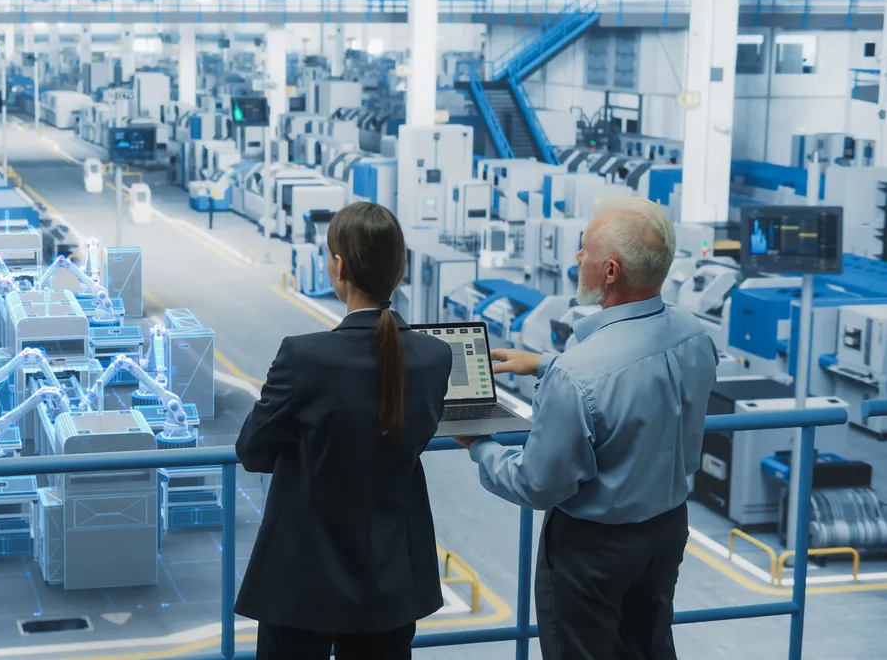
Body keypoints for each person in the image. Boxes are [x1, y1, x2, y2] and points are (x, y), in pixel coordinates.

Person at [454, 197, 717, 660]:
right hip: (667, 532)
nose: (578, 259)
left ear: (611, 272)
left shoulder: (579, 375)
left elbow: (536, 484)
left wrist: (478, 443)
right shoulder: (694, 336)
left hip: (594, 554)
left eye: (584, 251)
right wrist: (546, 365)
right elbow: (635, 379)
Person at [234, 202, 453, 660]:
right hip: (390, 579)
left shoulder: (303, 357)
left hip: (302, 580)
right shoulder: (435, 357)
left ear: (339, 266)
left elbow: (253, 451)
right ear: (400, 269)